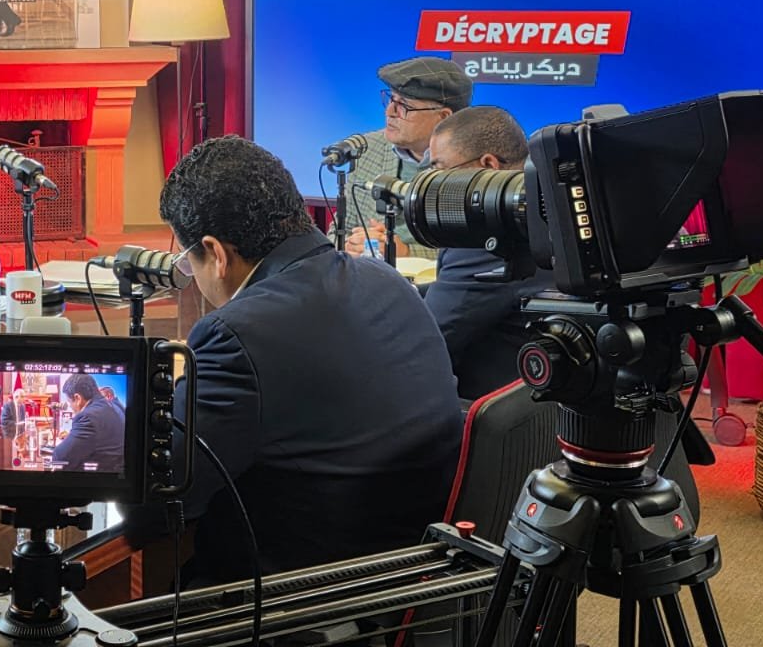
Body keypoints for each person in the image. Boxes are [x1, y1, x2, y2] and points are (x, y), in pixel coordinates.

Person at [161, 135, 463, 583]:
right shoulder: (388, 281)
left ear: (217, 254)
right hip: (417, 570)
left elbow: (168, 491)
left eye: (189, 262)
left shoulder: (237, 335)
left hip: (300, 591)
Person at [421, 106, 555, 400]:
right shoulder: (547, 203)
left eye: (439, 169)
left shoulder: (491, 239)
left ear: (488, 165)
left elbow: (424, 342)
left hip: (486, 410)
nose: (432, 183)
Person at [337, 57, 472, 261]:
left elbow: (477, 249)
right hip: (367, 275)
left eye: (404, 106)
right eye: (391, 99)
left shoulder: (473, 164)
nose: (389, 112)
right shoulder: (366, 149)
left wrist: (404, 253)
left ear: (444, 117)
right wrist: (350, 246)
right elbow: (339, 229)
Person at [49, 373, 125, 472]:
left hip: (100, 476)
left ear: (78, 398)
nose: (70, 407)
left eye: (69, 402)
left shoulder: (88, 416)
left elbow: (59, 458)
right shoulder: (114, 405)